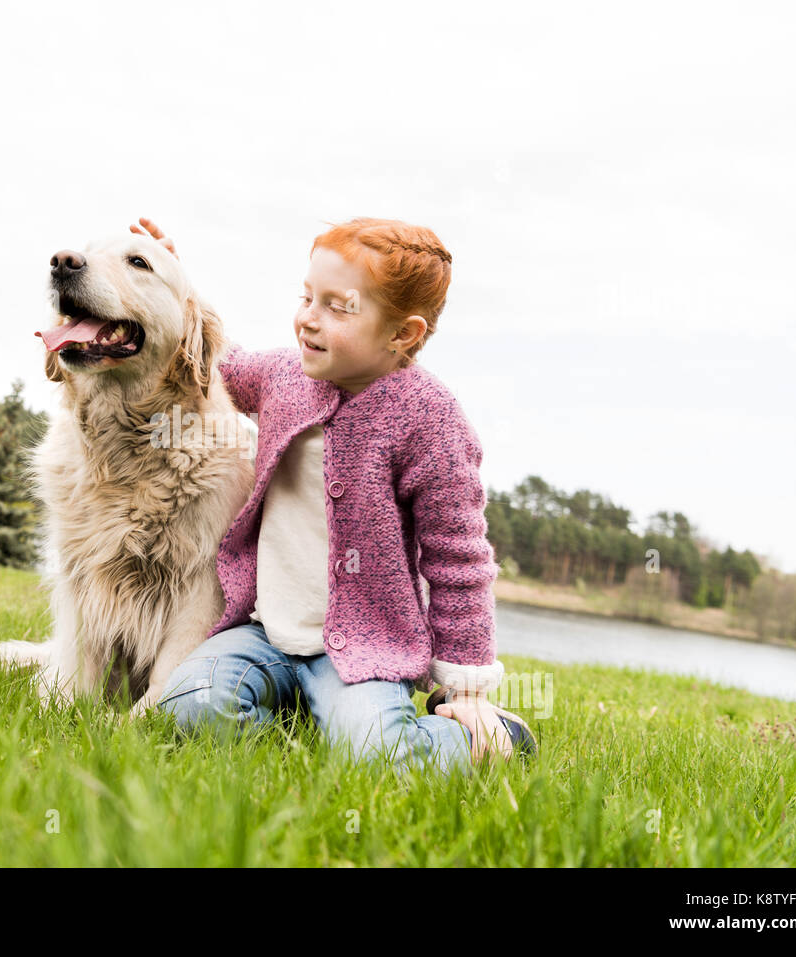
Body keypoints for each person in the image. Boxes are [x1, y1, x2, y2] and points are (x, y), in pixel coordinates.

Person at [131, 216, 536, 779]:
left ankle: (489, 740)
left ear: (404, 335)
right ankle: (302, 717)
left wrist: (466, 686)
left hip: (362, 654)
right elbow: (218, 359)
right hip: (263, 632)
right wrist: (170, 279)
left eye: (336, 306)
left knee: (378, 759)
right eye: (306, 297)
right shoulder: (285, 377)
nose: (308, 320)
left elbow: (458, 561)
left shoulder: (431, 420)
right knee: (188, 708)